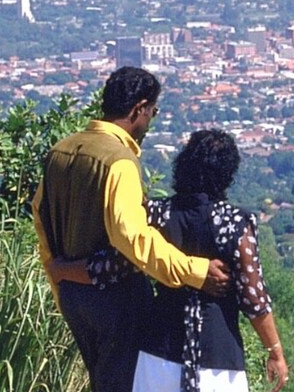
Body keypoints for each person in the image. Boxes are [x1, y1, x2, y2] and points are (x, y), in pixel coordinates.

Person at [34, 66, 234, 392]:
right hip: (114, 298)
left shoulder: (62, 150)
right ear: (138, 109)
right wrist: (195, 271)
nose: (151, 120)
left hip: (73, 293)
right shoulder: (119, 161)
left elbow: (40, 216)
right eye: (152, 112)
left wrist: (57, 273)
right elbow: (132, 237)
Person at [53, 130, 289, 392]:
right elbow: (254, 299)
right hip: (218, 360)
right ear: (227, 173)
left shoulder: (155, 214)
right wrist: (275, 352)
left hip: (158, 355)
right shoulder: (236, 223)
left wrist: (62, 270)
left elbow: (111, 267)